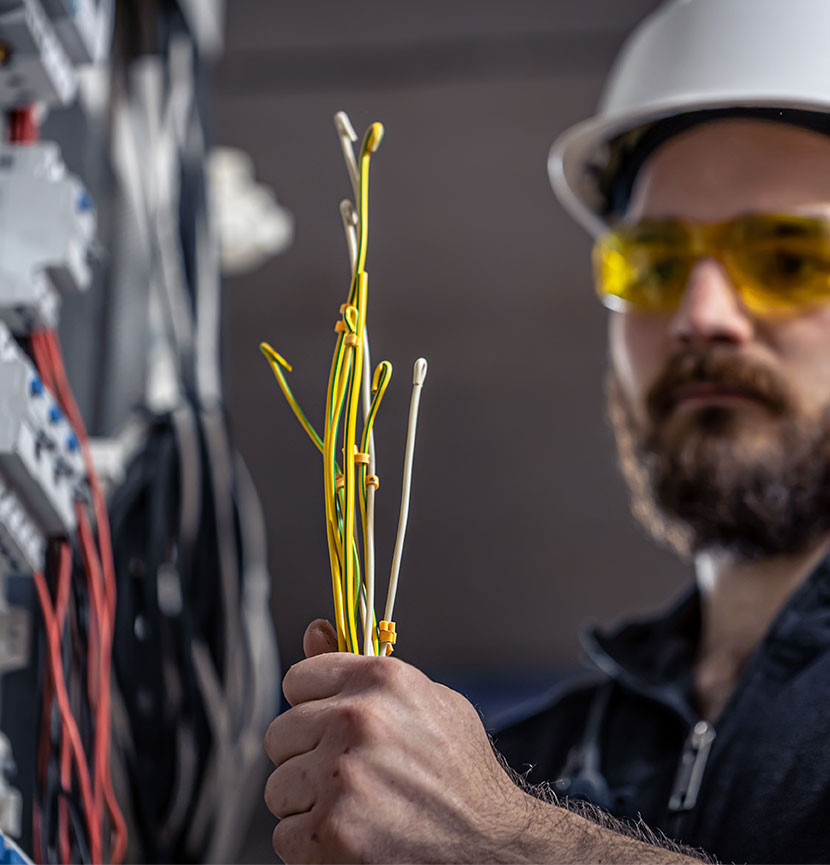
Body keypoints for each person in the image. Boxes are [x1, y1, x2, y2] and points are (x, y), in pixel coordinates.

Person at [263, 0, 830, 861]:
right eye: (655, 265)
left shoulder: (492, 802)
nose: (701, 314)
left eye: (787, 258)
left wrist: (501, 837)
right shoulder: (535, 758)